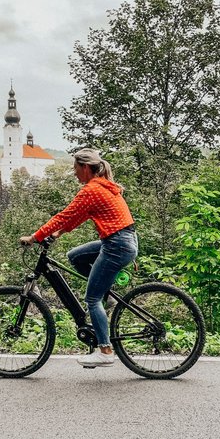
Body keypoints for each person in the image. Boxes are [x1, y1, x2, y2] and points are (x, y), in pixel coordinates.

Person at [19, 149, 138, 367]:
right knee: (75, 256)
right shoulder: (100, 185)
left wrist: (36, 237)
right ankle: (107, 296)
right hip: (122, 241)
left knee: (92, 298)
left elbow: (64, 215)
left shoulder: (92, 189)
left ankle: (105, 350)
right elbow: (80, 216)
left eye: (75, 169)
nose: (74, 174)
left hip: (117, 245)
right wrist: (58, 233)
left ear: (85, 167)